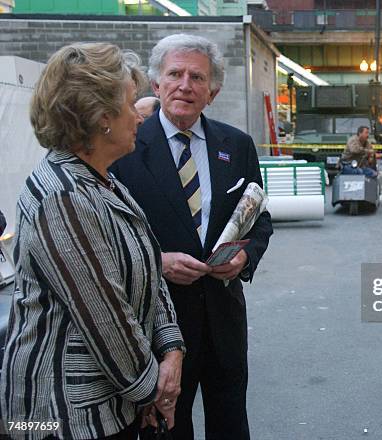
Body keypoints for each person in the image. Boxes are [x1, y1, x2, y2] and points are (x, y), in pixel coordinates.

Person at [0, 43, 186, 439]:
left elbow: (149, 269)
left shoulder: (102, 181)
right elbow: (105, 318)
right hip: (62, 416)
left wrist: (171, 347)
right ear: (102, 117)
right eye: (131, 103)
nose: (139, 116)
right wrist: (154, 389)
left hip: (108, 407)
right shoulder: (63, 196)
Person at [111, 34, 273, 440]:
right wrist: (158, 262)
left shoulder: (236, 145)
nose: (185, 85)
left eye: (197, 77)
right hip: (156, 327)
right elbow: (107, 238)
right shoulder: (123, 147)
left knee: (231, 424)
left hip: (224, 319)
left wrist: (245, 258)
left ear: (212, 91)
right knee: (166, 429)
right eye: (175, 74)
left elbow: (259, 218)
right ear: (156, 84)